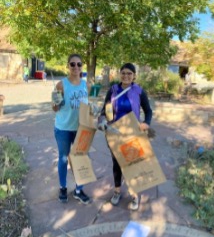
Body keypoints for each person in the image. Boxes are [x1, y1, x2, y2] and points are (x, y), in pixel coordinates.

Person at [98, 63, 153, 211]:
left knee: (132, 164)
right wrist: (103, 120)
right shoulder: (113, 90)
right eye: (123, 73)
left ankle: (135, 194)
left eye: (129, 73)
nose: (126, 76)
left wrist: (146, 123)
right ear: (119, 74)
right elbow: (105, 110)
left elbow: (148, 111)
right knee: (117, 164)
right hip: (114, 133)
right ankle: (117, 191)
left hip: (132, 133)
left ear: (134, 75)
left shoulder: (139, 91)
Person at [52, 54, 92, 204]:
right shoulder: (61, 85)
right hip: (63, 128)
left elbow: (87, 106)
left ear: (82, 66)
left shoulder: (86, 85)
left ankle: (78, 190)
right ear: (67, 66)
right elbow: (55, 108)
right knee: (63, 158)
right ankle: (63, 187)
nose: (76, 67)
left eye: (79, 64)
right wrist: (57, 102)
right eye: (72, 64)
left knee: (81, 159)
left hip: (80, 129)